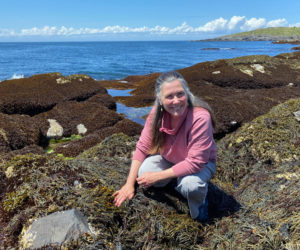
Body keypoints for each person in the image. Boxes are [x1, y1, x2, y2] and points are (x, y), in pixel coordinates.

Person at [113, 71, 217, 222]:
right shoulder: (157, 113)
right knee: (144, 172)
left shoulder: (200, 117)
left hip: (201, 164)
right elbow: (142, 147)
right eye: (169, 96)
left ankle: (200, 208)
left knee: (190, 186)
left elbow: (196, 162)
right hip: (171, 158)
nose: (176, 101)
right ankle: (176, 179)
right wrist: (129, 185)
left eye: (180, 94)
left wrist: (158, 176)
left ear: (187, 94)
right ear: (160, 100)